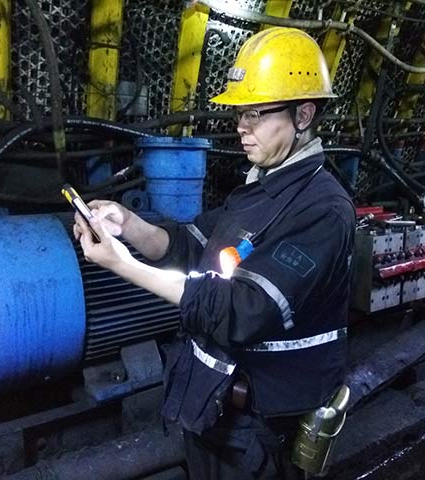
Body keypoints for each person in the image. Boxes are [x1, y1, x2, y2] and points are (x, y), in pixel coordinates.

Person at [74, 27, 355, 480]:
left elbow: (244, 310)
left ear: (303, 114)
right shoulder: (260, 188)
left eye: (255, 113)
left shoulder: (323, 209)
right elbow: (192, 245)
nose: (241, 126)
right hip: (214, 409)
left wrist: (124, 265)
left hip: (261, 430)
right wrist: (128, 225)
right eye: (240, 113)